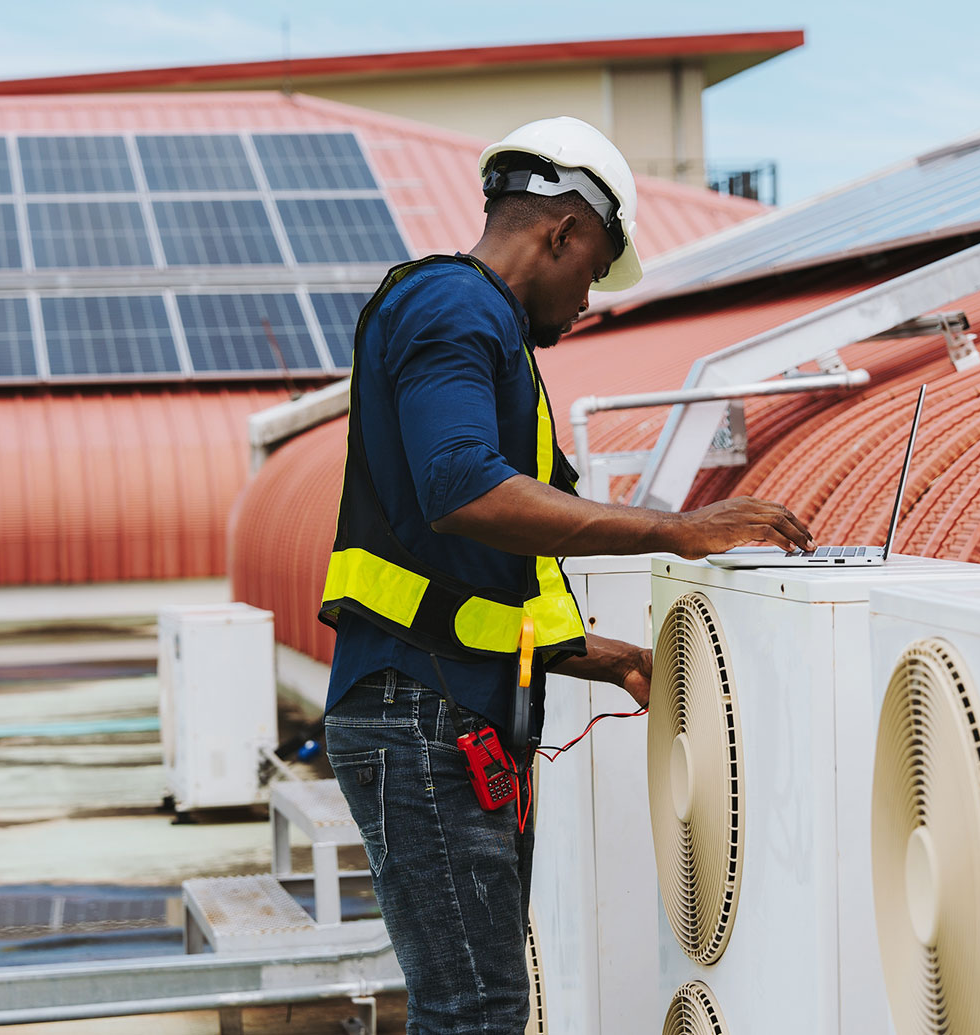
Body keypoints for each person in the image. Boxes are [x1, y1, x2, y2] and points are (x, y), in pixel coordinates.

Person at [317, 116, 814, 1034]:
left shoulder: (467, 321)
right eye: (592, 273)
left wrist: (593, 652)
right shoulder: (457, 308)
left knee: (476, 1006)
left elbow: (455, 578)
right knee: (476, 1012)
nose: (586, 300)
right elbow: (462, 489)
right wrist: (674, 529)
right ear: (563, 232)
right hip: (423, 719)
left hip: (428, 705)